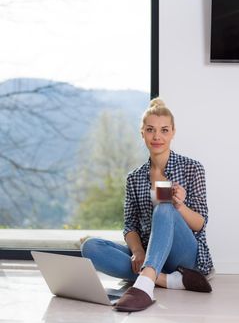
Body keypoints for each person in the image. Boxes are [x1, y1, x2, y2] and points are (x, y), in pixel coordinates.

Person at [81, 98, 214, 312]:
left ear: (173, 132)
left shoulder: (192, 168)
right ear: (142, 132)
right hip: (148, 253)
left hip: (184, 256)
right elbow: (130, 225)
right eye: (150, 130)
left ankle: (144, 286)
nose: (157, 136)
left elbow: (200, 224)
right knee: (90, 247)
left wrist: (179, 206)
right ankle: (167, 280)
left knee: (165, 206)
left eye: (164, 130)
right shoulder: (134, 178)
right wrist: (137, 251)